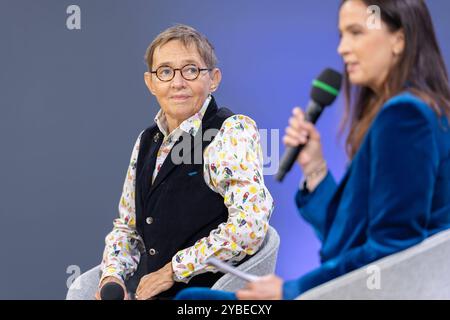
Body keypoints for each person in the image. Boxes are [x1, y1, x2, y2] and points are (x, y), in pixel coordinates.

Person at [175, 0, 450, 300]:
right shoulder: (418, 112)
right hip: (359, 288)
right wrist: (315, 168)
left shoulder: (404, 117)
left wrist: (291, 289)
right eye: (342, 35)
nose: (343, 49)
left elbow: (391, 248)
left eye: (356, 33)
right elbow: (343, 239)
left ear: (399, 39)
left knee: (193, 301)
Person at [95, 24, 274, 300]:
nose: (177, 83)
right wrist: (113, 276)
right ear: (150, 82)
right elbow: (127, 228)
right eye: (165, 72)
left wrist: (172, 271)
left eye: (190, 70)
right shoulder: (146, 140)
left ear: (213, 79)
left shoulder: (230, 131)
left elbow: (248, 227)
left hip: (203, 295)